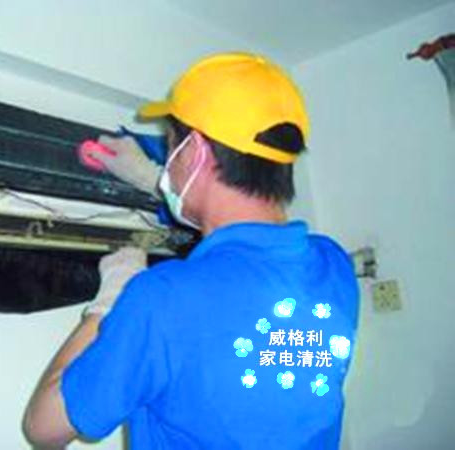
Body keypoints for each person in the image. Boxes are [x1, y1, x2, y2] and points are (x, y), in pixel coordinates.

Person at [23, 52, 360, 449]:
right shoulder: (335, 265)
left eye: (172, 149)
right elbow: (251, 240)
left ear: (196, 149)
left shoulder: (162, 297)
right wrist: (153, 180)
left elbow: (43, 429)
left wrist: (110, 300)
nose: (168, 163)